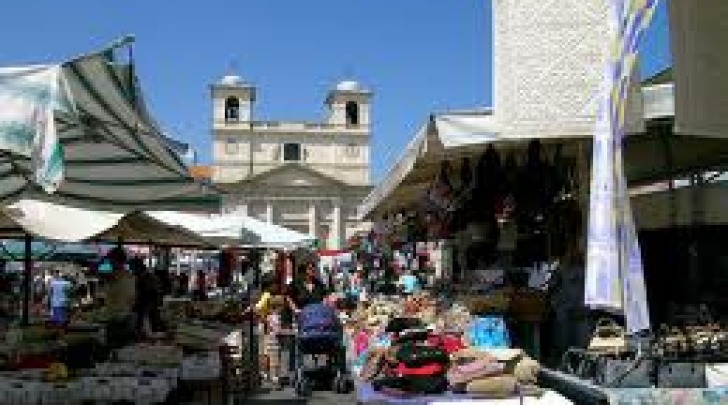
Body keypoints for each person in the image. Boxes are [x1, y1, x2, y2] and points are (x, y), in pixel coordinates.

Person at [132, 257, 163, 337]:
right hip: (148, 311)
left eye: (133, 268)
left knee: (150, 334)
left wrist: (145, 311)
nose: (132, 271)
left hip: (148, 312)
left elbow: (152, 295)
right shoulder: (147, 277)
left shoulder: (146, 278)